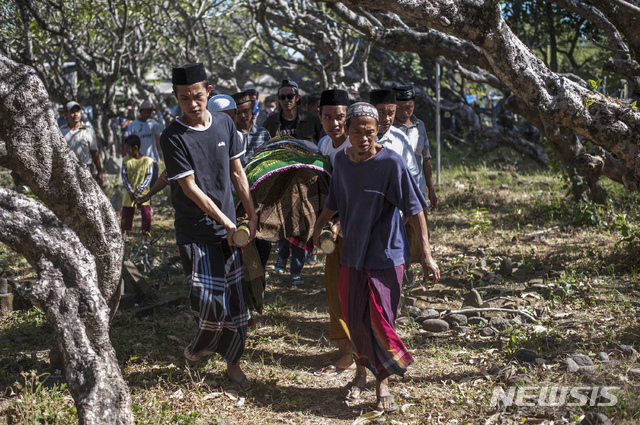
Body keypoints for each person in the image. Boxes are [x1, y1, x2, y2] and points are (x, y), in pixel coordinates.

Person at [312, 102, 440, 413]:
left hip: (386, 253)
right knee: (355, 320)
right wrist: (318, 227)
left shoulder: (391, 163)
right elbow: (334, 201)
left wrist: (426, 252)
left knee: (381, 319)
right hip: (353, 253)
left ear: (377, 130)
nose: (364, 138)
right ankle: (359, 375)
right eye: (357, 132)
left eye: (370, 132)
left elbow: (415, 208)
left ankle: (383, 381)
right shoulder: (341, 162)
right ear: (348, 131)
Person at [160, 63, 258, 392]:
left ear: (209, 91)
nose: (192, 103)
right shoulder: (172, 136)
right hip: (196, 232)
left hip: (229, 233)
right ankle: (201, 343)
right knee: (208, 301)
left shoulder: (225, 128)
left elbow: (237, 172)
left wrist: (251, 213)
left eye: (198, 96)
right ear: (176, 97)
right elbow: (190, 188)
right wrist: (230, 222)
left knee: (235, 304)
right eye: (184, 98)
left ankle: (232, 364)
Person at [313, 89, 354, 377]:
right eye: (328, 117)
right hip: (334, 230)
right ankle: (345, 352)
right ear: (320, 117)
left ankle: (363, 349)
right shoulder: (324, 146)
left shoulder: (358, 144)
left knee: (358, 291)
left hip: (361, 230)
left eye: (339, 117)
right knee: (335, 289)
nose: (334, 123)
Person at [393, 85, 438, 209]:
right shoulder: (387, 128)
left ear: (414, 105)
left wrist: (431, 189)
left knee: (420, 227)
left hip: (418, 189)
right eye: (399, 108)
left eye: (409, 108)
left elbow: (426, 159)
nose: (404, 112)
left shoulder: (420, 126)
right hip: (395, 193)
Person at [369, 90, 420, 183]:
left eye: (391, 113)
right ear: (372, 110)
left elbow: (412, 174)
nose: (387, 118)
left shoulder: (400, 139)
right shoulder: (360, 137)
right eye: (382, 113)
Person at [263, 79, 322, 143]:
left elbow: (322, 143)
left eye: (290, 96)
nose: (286, 100)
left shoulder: (311, 118)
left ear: (297, 97)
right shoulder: (270, 122)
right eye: (282, 97)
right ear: (278, 99)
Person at [60, 101, 103, 186]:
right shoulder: (61, 131)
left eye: (78, 111)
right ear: (66, 114)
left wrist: (100, 171)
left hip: (85, 169)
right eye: (72, 112)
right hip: (67, 169)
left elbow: (94, 152)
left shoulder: (88, 131)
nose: (76, 114)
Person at [120, 135, 154, 236]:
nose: (126, 151)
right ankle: (124, 233)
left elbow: (148, 177)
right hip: (129, 193)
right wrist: (131, 192)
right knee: (126, 214)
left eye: (128, 148)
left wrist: (138, 191)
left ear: (135, 148)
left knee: (146, 214)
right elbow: (124, 177)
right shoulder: (126, 160)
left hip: (143, 193)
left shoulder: (148, 161)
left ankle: (146, 234)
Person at [127, 101, 164, 187]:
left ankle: (150, 200)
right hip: (139, 161)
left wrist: (158, 112)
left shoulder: (152, 123)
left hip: (152, 160)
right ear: (140, 112)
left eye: (149, 112)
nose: (147, 114)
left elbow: (162, 127)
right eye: (145, 112)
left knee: (152, 186)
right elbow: (130, 143)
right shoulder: (133, 125)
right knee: (140, 186)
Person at [231, 91, 271, 165]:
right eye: (238, 113)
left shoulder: (263, 133)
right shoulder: (232, 134)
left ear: (252, 108)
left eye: (246, 111)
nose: (243, 116)